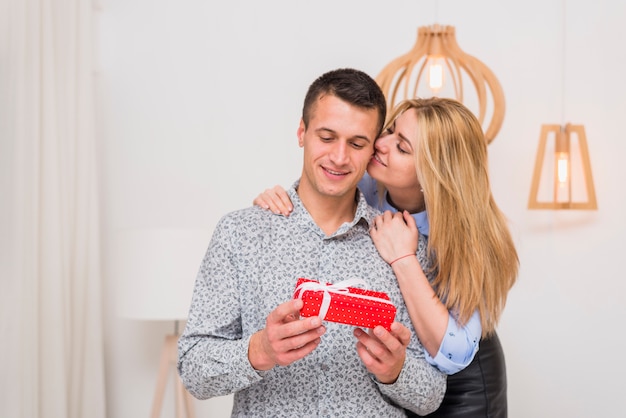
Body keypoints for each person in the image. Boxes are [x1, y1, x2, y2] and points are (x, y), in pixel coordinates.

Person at [177, 69, 446, 417]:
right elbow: (194, 370)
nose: (339, 157)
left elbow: (433, 396)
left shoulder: (403, 246)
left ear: (373, 151)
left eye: (357, 143)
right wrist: (259, 350)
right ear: (302, 132)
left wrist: (396, 372)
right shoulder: (240, 234)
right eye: (327, 137)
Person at [254, 97, 519, 417]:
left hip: (463, 384)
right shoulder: (366, 185)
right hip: (401, 376)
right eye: (390, 130)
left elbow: (455, 352)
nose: (381, 144)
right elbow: (317, 194)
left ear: (433, 174)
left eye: (402, 147)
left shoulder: (467, 233)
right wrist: (282, 199)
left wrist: (403, 258)